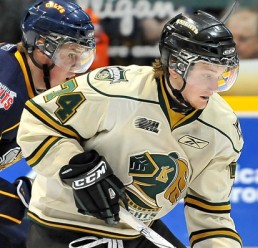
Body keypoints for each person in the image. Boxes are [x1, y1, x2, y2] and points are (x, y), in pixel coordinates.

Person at [17, 9, 243, 248]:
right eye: (208, 75)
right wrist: (74, 165)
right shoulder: (113, 88)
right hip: (63, 223)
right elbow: (37, 122)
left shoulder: (222, 128)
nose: (215, 87)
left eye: (223, 76)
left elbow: (211, 215)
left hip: (135, 232)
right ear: (176, 66)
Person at [0, 0, 95, 247]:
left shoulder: (39, 83)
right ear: (41, 48)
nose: (77, 69)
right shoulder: (5, 88)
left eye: (82, 57)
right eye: (69, 56)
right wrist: (11, 198)